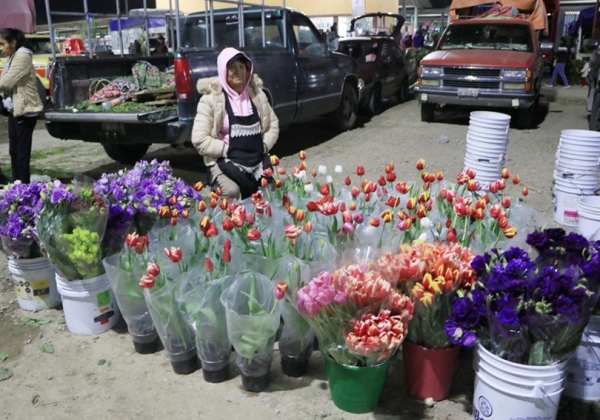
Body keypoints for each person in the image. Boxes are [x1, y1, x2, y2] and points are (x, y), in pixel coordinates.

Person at [191, 48, 279, 199]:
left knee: (280, 182)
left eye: (241, 67)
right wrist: (227, 149)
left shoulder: (258, 95)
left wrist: (263, 146)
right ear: (223, 70)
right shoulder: (211, 100)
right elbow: (199, 138)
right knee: (230, 191)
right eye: (231, 67)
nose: (238, 71)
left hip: (257, 160)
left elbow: (273, 125)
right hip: (225, 161)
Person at [0, 28, 44, 185]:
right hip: (15, 110)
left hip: (26, 111)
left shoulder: (23, 56)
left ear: (14, 42)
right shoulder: (13, 57)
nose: (1, 47)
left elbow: (6, 82)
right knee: (13, 151)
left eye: (3, 44)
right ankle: (16, 185)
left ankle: (24, 188)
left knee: (22, 153)